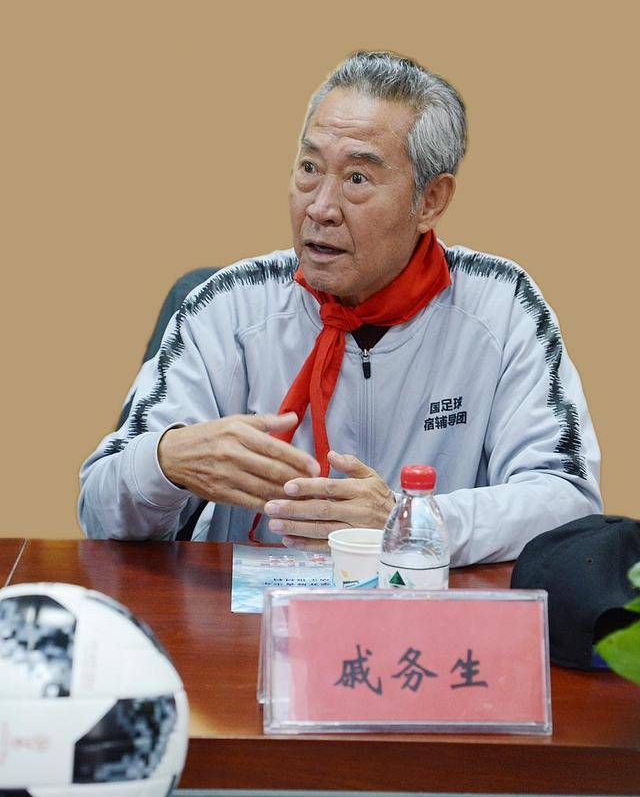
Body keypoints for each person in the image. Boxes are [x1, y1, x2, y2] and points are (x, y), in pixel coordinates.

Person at [78, 50, 602, 565]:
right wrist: (165, 461)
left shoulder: (501, 306)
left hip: (424, 607)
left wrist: (408, 522)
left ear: (431, 201)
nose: (321, 207)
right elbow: (98, 513)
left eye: (357, 179)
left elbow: (567, 502)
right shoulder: (228, 308)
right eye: (309, 168)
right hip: (250, 612)